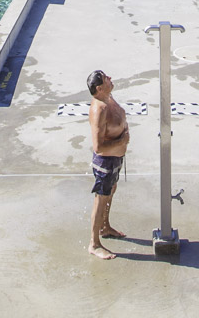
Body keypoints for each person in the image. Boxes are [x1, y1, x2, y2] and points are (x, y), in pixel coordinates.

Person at [86, 69, 129, 260]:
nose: (110, 78)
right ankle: (94, 244)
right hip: (105, 162)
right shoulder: (99, 109)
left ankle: (105, 226)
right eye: (106, 78)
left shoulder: (108, 98)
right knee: (101, 198)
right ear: (99, 88)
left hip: (115, 159)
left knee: (111, 191)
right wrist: (121, 141)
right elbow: (98, 147)